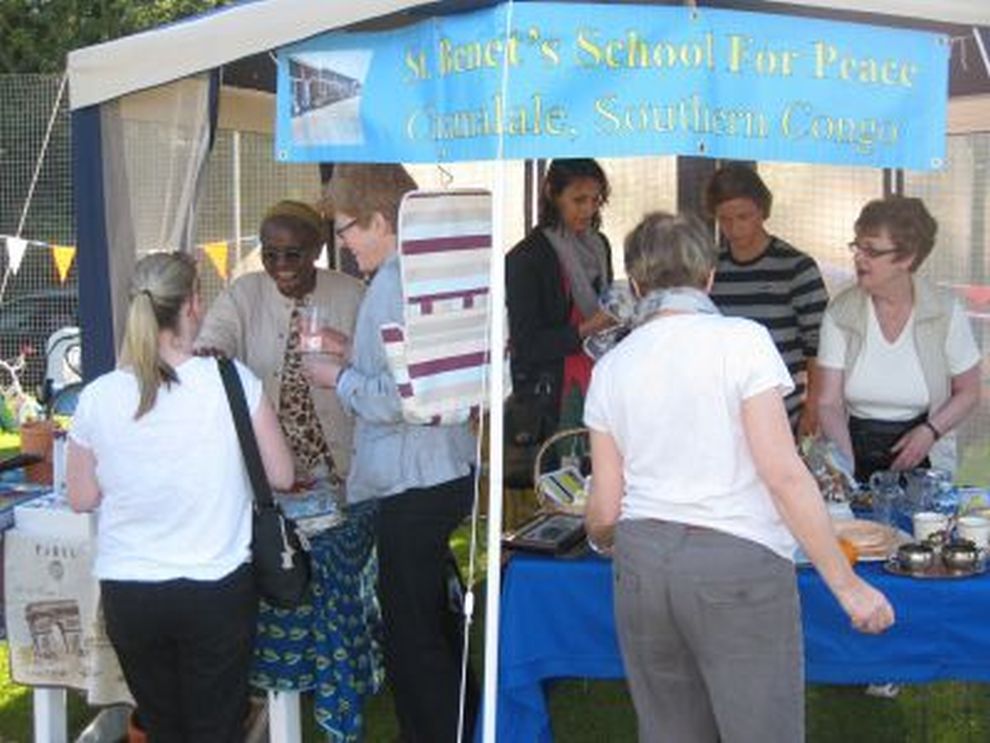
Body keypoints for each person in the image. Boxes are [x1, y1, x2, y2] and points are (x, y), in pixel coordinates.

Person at [583, 213, 894, 743]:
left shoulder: (612, 365)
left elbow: (605, 509)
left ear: (635, 284)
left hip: (642, 566)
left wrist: (602, 539)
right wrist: (847, 587)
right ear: (709, 277)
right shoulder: (742, 341)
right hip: (736, 562)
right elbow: (783, 474)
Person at [67, 251, 294, 742]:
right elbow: (282, 473)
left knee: (162, 726)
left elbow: (81, 497)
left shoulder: (97, 397)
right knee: (217, 726)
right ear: (194, 304)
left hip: (130, 591)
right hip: (216, 588)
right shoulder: (232, 381)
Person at [194, 200, 382, 742]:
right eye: (270, 252)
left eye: (293, 254)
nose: (280, 265)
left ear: (319, 250)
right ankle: (271, 691)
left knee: (331, 573)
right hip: (268, 481)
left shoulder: (352, 295)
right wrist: (210, 353)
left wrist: (345, 359)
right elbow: (216, 343)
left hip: (344, 473)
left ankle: (339, 683)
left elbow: (380, 369)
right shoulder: (244, 294)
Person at [304, 163, 478, 743]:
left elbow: (407, 396)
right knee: (435, 614)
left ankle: (433, 732)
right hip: (447, 467)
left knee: (413, 631)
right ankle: (464, 718)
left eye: (349, 228)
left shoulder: (391, 283)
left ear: (381, 220)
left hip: (411, 479)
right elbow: (417, 367)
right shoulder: (430, 270)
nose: (344, 243)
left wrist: (337, 378)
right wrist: (350, 352)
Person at [818, 196, 981, 483]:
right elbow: (828, 402)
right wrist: (846, 467)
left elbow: (969, 392)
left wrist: (930, 432)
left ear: (907, 258)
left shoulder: (944, 311)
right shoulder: (840, 312)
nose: (859, 257)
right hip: (852, 444)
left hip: (925, 450)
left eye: (871, 250)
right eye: (858, 246)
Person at [706, 163, 828, 437]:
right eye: (725, 219)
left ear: (763, 210)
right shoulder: (710, 269)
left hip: (784, 410)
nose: (735, 228)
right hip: (724, 412)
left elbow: (818, 347)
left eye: (743, 216)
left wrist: (813, 409)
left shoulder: (796, 267)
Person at [506, 158, 616, 434]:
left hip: (601, 381)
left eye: (595, 200)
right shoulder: (526, 258)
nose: (589, 209)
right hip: (553, 397)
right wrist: (586, 329)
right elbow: (526, 344)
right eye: (579, 200)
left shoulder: (600, 244)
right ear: (553, 195)